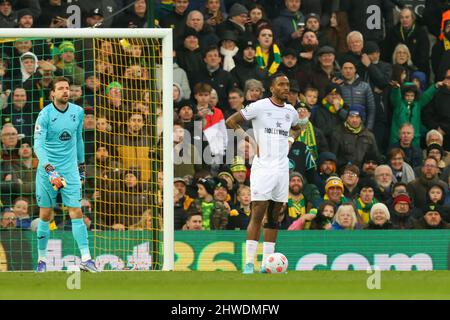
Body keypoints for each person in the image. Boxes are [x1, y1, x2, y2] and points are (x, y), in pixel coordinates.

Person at [226, 73, 302, 274]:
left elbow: (297, 128)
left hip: (282, 169)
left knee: (274, 216)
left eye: (288, 85)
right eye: (281, 85)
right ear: (272, 88)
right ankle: (249, 262)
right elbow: (231, 122)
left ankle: (267, 264)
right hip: (263, 168)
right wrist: (250, 140)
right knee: (258, 212)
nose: (286, 88)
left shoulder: (290, 111)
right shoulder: (259, 106)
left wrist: (290, 141)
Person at [33, 77, 97, 272]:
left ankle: (86, 258)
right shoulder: (44, 115)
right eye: (60, 88)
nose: (65, 91)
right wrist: (50, 171)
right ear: (52, 93)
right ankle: (42, 260)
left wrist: (81, 166)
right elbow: (38, 146)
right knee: (45, 215)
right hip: (48, 171)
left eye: (67, 88)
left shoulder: (78, 112)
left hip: (69, 169)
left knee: (76, 211)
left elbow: (78, 140)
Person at [389, 80, 441, 148]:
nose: (409, 97)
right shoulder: (398, 104)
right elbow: (395, 97)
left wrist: (435, 86)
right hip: (397, 138)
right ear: (403, 95)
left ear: (415, 96)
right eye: (407, 95)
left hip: (414, 138)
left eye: (412, 95)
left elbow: (426, 96)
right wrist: (396, 89)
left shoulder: (418, 104)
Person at [330, 104, 379, 168]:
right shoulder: (338, 133)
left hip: (363, 172)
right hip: (344, 172)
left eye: (357, 117)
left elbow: (376, 157)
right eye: (351, 117)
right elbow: (333, 157)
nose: (354, 120)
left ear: (361, 119)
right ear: (347, 118)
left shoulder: (369, 136)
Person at [421, 68, 450, 151]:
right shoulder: (438, 94)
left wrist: (445, 129)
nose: (447, 80)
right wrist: (436, 128)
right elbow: (426, 114)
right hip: (438, 136)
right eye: (447, 77)